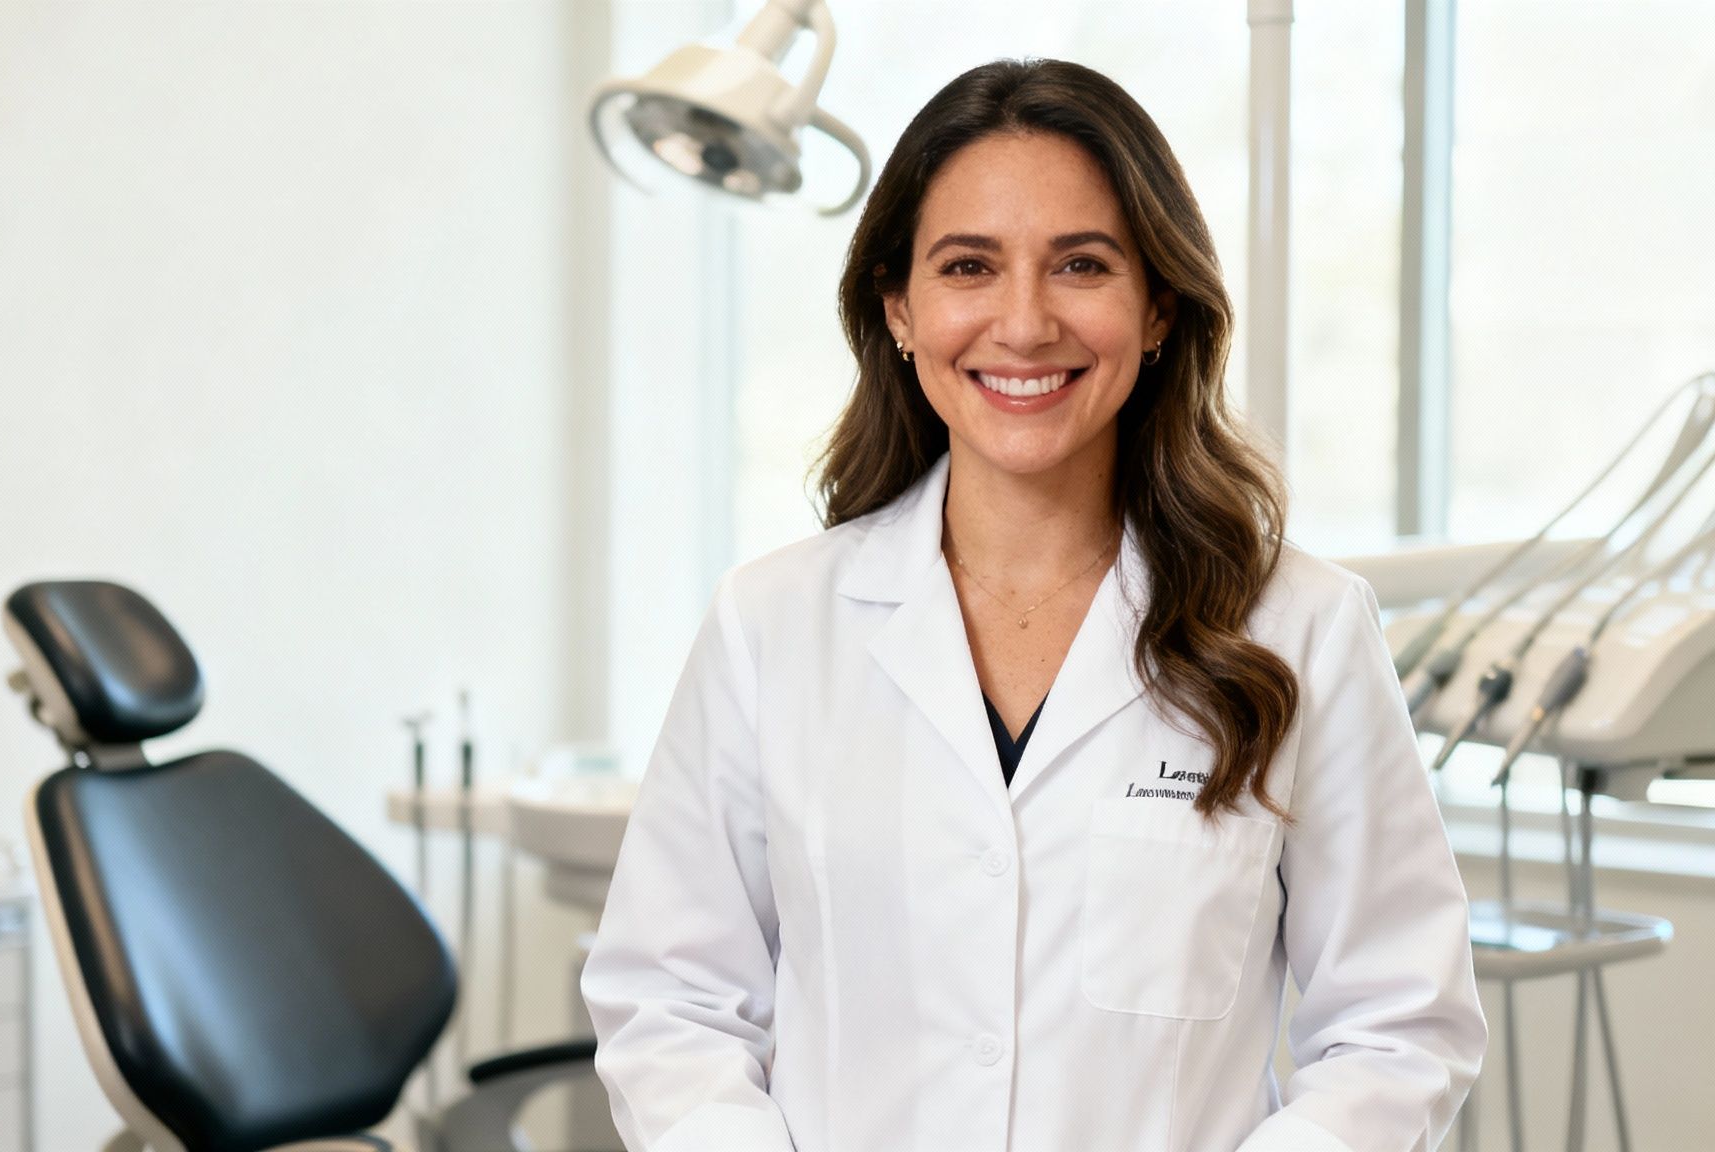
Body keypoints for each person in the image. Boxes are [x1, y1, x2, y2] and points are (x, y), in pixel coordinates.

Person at [581, 57, 1487, 1152]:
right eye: (967, 266)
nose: (1022, 323)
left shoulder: (1298, 631)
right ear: (898, 309)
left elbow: (1397, 1028)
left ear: (1155, 307)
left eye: (1080, 265)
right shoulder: (770, 626)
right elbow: (670, 1002)